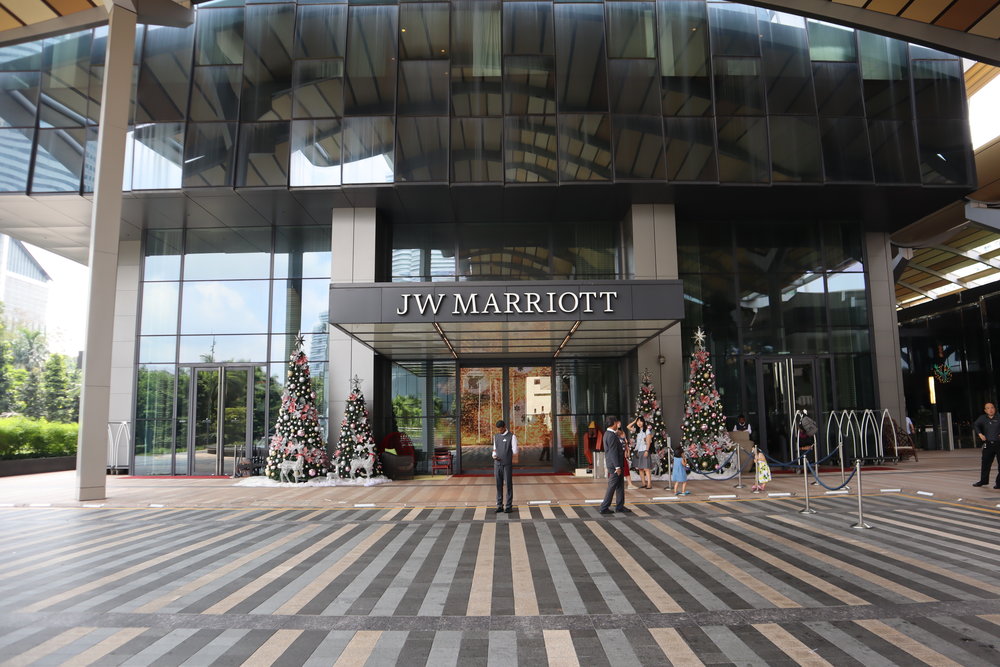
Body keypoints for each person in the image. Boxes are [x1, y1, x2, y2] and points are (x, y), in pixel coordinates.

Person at [599, 416, 631, 514]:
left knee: (620, 486)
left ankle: (620, 506)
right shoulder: (611, 435)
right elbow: (613, 452)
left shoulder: (608, 434)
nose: (618, 424)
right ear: (613, 423)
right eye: (616, 423)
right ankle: (604, 507)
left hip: (616, 463)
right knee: (612, 486)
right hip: (614, 465)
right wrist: (617, 466)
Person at [492, 420, 518, 512]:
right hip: (497, 464)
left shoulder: (512, 437)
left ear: (504, 427)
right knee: (498, 485)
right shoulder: (496, 437)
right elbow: (494, 449)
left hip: (507, 465)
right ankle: (499, 505)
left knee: (508, 485)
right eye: (498, 430)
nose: (499, 431)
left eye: (500, 429)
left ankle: (508, 506)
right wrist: (494, 456)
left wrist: (506, 453)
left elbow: (515, 451)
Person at [972, 402, 1000, 489]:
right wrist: (980, 434)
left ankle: (999, 483)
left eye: (992, 407)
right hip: (988, 444)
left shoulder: (999, 417)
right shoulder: (982, 418)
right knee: (985, 463)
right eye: (988, 408)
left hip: (999, 444)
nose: (990, 409)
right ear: (985, 410)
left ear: (995, 409)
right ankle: (983, 481)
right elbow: (975, 425)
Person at [628, 416, 652, 489]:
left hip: (644, 450)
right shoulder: (637, 430)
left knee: (646, 468)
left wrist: (647, 450)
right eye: (638, 421)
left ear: (643, 422)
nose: (639, 423)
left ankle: (649, 484)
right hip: (637, 450)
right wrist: (634, 421)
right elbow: (628, 426)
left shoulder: (647, 430)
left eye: (640, 421)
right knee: (640, 468)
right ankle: (644, 483)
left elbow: (648, 441)